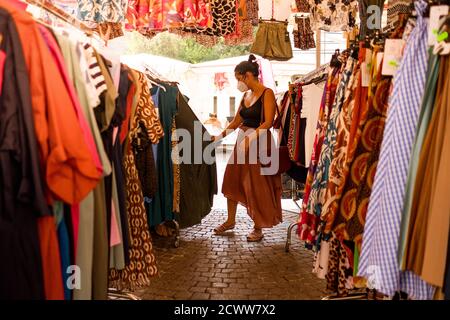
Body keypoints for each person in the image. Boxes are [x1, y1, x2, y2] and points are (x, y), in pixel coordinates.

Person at [212, 55, 282, 242]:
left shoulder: (267, 93)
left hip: (258, 141)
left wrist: (250, 138)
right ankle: (230, 221)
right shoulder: (245, 95)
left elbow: (267, 122)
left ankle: (258, 227)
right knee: (231, 179)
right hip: (243, 142)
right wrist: (217, 138)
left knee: (257, 184)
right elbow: (236, 122)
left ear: (249, 75)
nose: (238, 83)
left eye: (239, 78)